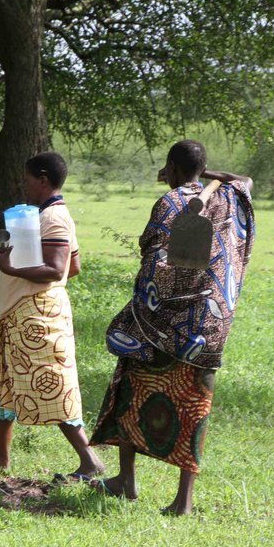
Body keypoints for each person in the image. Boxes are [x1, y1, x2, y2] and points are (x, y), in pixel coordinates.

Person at [90, 140, 255, 515]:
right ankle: (183, 500)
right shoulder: (231, 196)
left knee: (130, 389)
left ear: (172, 168)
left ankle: (126, 481)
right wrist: (203, 174)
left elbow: (155, 258)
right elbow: (243, 178)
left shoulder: (171, 203)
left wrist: (139, 314)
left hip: (161, 322)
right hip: (209, 326)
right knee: (194, 403)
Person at [0, 152, 104, 481]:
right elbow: (74, 266)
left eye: (28, 179)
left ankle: (90, 461)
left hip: (37, 316)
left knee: (52, 386)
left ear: (43, 180)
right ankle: (0, 456)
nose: (24, 185)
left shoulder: (54, 218)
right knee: (6, 382)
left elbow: (57, 269)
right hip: (22, 311)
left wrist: (10, 266)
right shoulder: (44, 216)